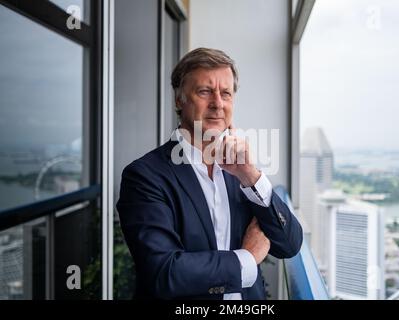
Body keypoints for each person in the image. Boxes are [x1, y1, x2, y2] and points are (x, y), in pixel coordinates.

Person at [116, 48, 303, 300]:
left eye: (226, 93)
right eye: (205, 91)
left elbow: (289, 244)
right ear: (179, 100)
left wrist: (251, 175)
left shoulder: (241, 173)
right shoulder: (145, 176)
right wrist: (247, 259)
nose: (217, 104)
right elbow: (164, 273)